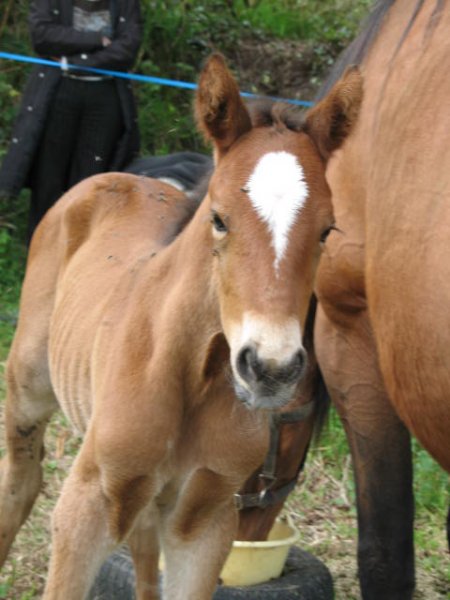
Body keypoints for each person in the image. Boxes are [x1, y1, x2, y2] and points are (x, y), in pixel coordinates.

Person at [0, 0, 142, 240]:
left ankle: (79, 258)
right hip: (58, 94)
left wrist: (75, 62)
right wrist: (98, 40)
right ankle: (41, 254)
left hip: (104, 100)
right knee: (48, 181)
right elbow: (42, 35)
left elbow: (127, 48)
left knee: (90, 184)